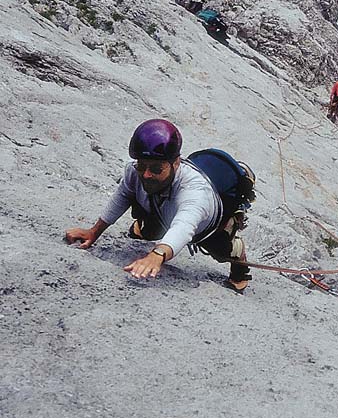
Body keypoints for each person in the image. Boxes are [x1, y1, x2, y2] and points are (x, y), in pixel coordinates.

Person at [65, 119, 251, 292]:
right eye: (141, 166)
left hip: (205, 228)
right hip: (163, 210)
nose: (146, 174)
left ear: (176, 163)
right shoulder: (134, 171)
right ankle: (145, 228)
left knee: (221, 251)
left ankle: (237, 254)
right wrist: (94, 232)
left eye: (156, 169)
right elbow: (123, 196)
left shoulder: (196, 192)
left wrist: (158, 254)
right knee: (148, 228)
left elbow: (184, 226)